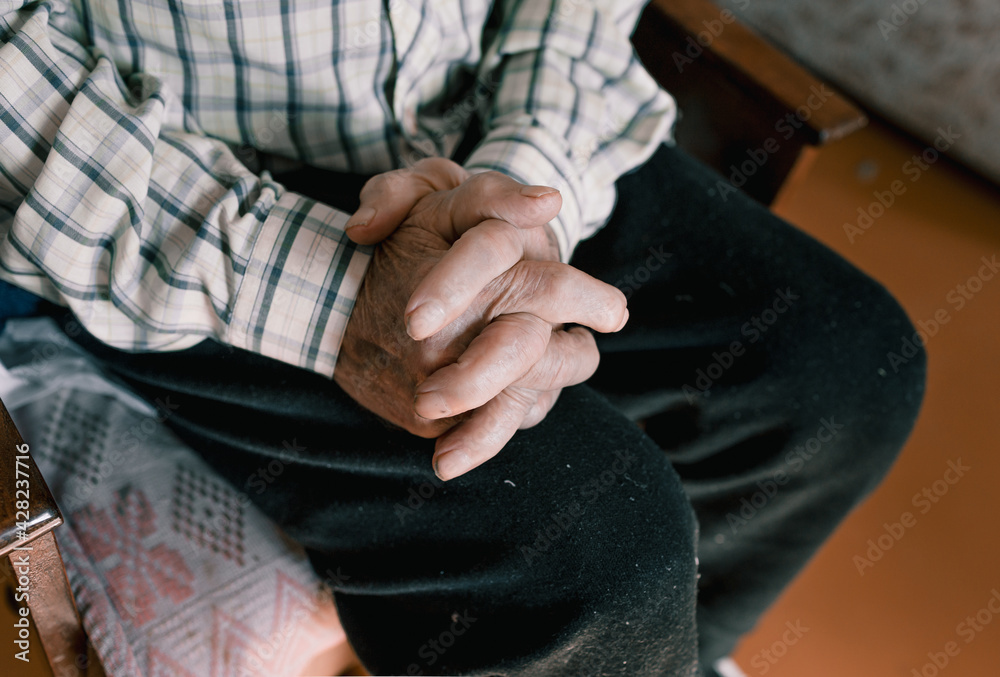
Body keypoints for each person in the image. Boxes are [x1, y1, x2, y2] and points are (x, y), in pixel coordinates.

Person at [0, 1, 925, 675]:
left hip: (475, 125)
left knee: (841, 371)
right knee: (592, 562)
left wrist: (525, 204)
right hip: (167, 194)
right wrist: (348, 305)